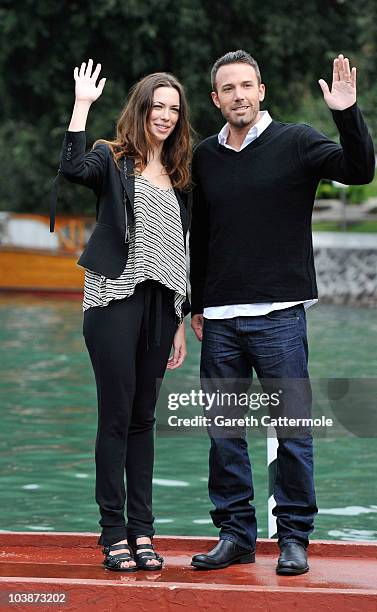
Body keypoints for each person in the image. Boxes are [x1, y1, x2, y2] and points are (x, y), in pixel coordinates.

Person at [189, 50, 374, 574]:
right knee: (223, 433)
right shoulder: (205, 155)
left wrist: (346, 113)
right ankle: (235, 535)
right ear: (216, 98)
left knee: (292, 431)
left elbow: (359, 170)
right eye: (229, 88)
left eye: (247, 85)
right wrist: (195, 304)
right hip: (220, 319)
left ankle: (293, 538)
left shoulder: (295, 142)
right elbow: (199, 235)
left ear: (261, 90)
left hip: (279, 318)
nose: (239, 95)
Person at [50, 59, 191, 572]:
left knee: (143, 420)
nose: (166, 116)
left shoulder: (179, 171)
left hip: (161, 305)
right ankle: (112, 534)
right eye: (158, 106)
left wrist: (180, 320)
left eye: (174, 109)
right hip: (113, 299)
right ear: (141, 108)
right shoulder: (111, 158)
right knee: (116, 416)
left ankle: (143, 533)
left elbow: (181, 249)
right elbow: (71, 169)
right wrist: (81, 106)